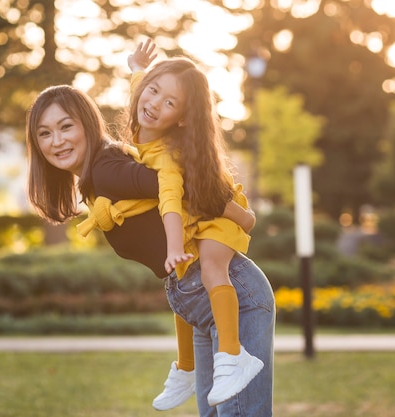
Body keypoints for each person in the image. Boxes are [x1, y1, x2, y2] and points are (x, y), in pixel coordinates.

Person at [25, 84, 275, 417]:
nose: (56, 141)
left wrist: (243, 216)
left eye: (65, 126)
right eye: (45, 133)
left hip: (231, 294)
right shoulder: (97, 178)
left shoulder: (105, 169)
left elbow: (179, 183)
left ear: (86, 123)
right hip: (198, 303)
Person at [120, 39, 263, 409]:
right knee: (183, 277)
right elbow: (141, 83)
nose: (154, 104)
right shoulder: (145, 105)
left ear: (181, 118)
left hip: (219, 216)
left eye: (170, 103)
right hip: (200, 213)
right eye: (154, 91)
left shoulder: (168, 156)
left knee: (213, 266)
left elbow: (170, 202)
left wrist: (173, 247)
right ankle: (186, 366)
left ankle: (233, 355)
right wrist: (137, 65)